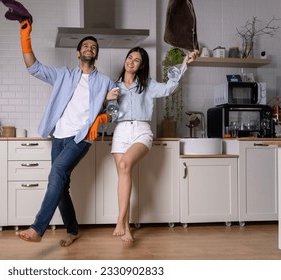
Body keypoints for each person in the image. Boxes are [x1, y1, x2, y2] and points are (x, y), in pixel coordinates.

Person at [15, 18, 116, 246]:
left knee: (56, 174)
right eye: (86, 46)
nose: (90, 48)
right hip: (58, 137)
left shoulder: (105, 82)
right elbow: (34, 67)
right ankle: (73, 229)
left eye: (94, 47)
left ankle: (38, 228)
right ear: (78, 53)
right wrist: (25, 37)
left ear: (96, 55)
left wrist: (102, 116)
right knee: (61, 185)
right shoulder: (63, 75)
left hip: (81, 137)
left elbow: (116, 111)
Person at [89, 47, 198, 242]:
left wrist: (184, 63)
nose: (131, 62)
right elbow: (104, 111)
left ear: (141, 65)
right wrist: (106, 100)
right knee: (124, 175)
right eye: (129, 57)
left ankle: (118, 220)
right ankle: (127, 228)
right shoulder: (113, 87)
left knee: (124, 166)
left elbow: (169, 88)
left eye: (136, 60)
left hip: (141, 131)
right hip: (120, 132)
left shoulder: (147, 85)